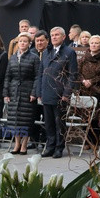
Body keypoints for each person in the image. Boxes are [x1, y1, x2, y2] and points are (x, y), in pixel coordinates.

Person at [37, 27, 77, 159]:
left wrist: (67, 93)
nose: (54, 37)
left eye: (57, 35)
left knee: (59, 122)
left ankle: (59, 148)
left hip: (60, 94)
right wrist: (39, 92)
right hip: (47, 92)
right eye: (52, 35)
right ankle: (50, 146)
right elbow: (41, 74)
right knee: (48, 122)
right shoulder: (46, 51)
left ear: (63, 37)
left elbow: (72, 75)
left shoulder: (69, 52)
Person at [3, 32, 39, 155]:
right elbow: (8, 76)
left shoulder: (34, 57)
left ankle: (24, 144)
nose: (22, 43)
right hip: (14, 91)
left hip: (27, 91)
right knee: (14, 120)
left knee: (26, 120)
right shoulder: (12, 57)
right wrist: (6, 92)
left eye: (25, 41)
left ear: (29, 44)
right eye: (20, 41)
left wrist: (34, 92)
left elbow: (37, 77)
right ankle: (16, 144)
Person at [77, 34, 100, 147]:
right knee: (85, 117)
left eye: (96, 43)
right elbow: (78, 73)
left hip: (99, 91)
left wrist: (91, 81)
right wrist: (83, 81)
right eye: (92, 43)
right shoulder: (83, 58)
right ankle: (86, 142)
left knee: (96, 118)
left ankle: (94, 142)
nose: (94, 45)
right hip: (85, 90)